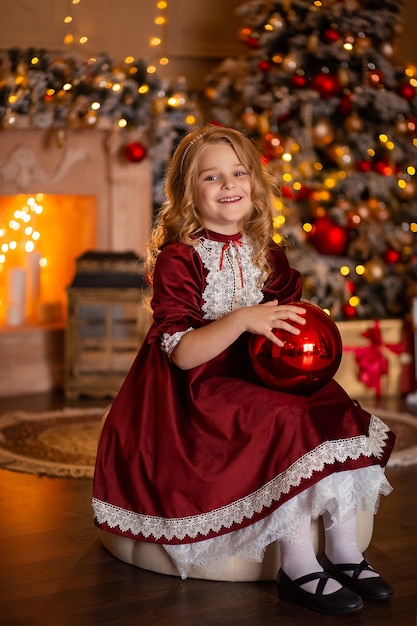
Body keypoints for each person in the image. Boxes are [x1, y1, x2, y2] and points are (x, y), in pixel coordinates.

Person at [92, 125, 396, 616]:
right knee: (285, 421)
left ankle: (344, 552)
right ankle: (297, 566)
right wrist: (243, 319)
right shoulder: (180, 259)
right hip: (198, 388)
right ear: (188, 194)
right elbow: (182, 353)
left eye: (237, 173)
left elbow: (286, 323)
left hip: (260, 374)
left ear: (254, 183)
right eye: (211, 177)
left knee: (333, 405)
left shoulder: (266, 254)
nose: (228, 184)